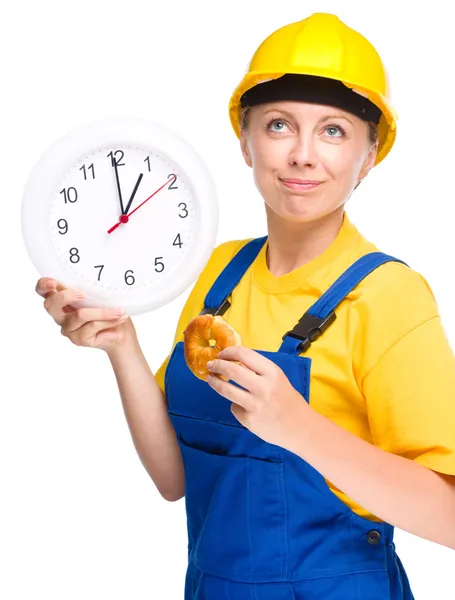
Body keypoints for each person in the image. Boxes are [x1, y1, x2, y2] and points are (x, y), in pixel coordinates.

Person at [35, 12, 455, 600]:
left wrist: (301, 428)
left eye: (334, 131)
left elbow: (450, 518)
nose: (304, 155)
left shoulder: (388, 296)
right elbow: (174, 478)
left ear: (370, 154)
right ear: (245, 141)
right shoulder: (220, 276)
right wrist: (121, 345)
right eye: (279, 125)